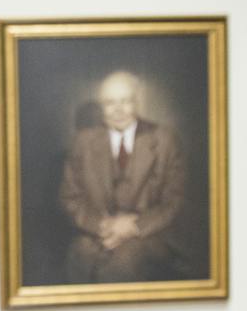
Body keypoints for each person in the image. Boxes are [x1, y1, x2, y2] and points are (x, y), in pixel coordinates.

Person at [59, 69, 186, 283]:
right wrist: (102, 225)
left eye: (125, 101)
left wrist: (134, 227)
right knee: (79, 255)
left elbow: (175, 201)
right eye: (110, 103)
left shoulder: (165, 140)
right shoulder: (83, 142)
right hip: (100, 231)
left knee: (121, 267)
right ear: (102, 108)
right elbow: (70, 198)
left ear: (137, 103)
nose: (118, 110)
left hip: (149, 233)